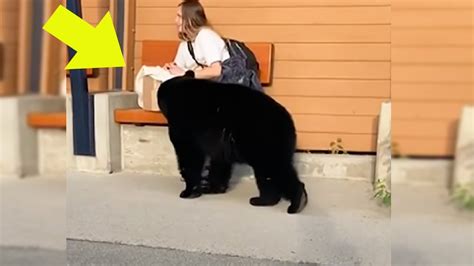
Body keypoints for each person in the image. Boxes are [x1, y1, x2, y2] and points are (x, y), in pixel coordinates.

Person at [164, 0, 229, 80]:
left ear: (191, 19)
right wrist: (169, 69)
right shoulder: (185, 44)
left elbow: (216, 71)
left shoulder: (205, 35)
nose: (175, 21)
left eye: (179, 16)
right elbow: (178, 71)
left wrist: (186, 74)